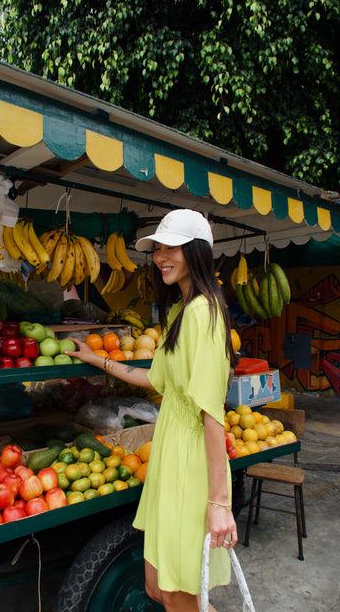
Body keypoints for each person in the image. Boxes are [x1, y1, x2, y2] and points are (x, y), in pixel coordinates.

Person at [65, 209, 238, 612]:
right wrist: (98, 360)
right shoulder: (179, 312)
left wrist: (219, 503)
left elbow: (211, 412)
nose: (161, 256)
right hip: (168, 451)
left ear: (195, 251)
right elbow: (155, 379)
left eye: (171, 247)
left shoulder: (204, 315)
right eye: (158, 248)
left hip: (192, 463)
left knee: (181, 594)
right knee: (159, 588)